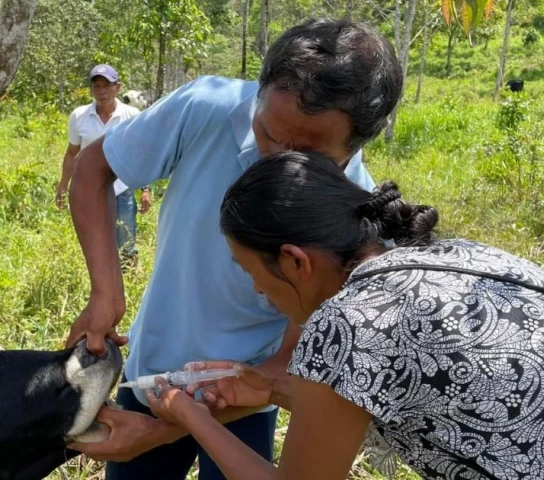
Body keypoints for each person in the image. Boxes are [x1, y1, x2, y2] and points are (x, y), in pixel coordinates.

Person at [66, 19, 403, 480]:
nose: (274, 158)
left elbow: (290, 363)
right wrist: (105, 292)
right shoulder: (206, 107)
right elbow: (92, 169)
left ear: (354, 145)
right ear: (260, 95)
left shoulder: (353, 229)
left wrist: (165, 429)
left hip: (245, 404)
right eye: (267, 134)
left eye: (303, 154)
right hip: (152, 375)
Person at [146, 150, 544, 480]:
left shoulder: (347, 323)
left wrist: (190, 416)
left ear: (294, 261)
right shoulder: (458, 253)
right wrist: (271, 390)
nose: (258, 290)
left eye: (251, 271)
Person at [56, 64, 150, 265]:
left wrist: (145, 189)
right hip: (90, 190)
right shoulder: (79, 116)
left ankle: (129, 281)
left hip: (122, 189)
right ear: (91, 89)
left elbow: (142, 154)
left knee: (126, 241)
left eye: (107, 86)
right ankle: (102, 285)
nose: (102, 91)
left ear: (118, 87)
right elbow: (72, 152)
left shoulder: (132, 116)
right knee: (96, 242)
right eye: (97, 86)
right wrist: (63, 185)